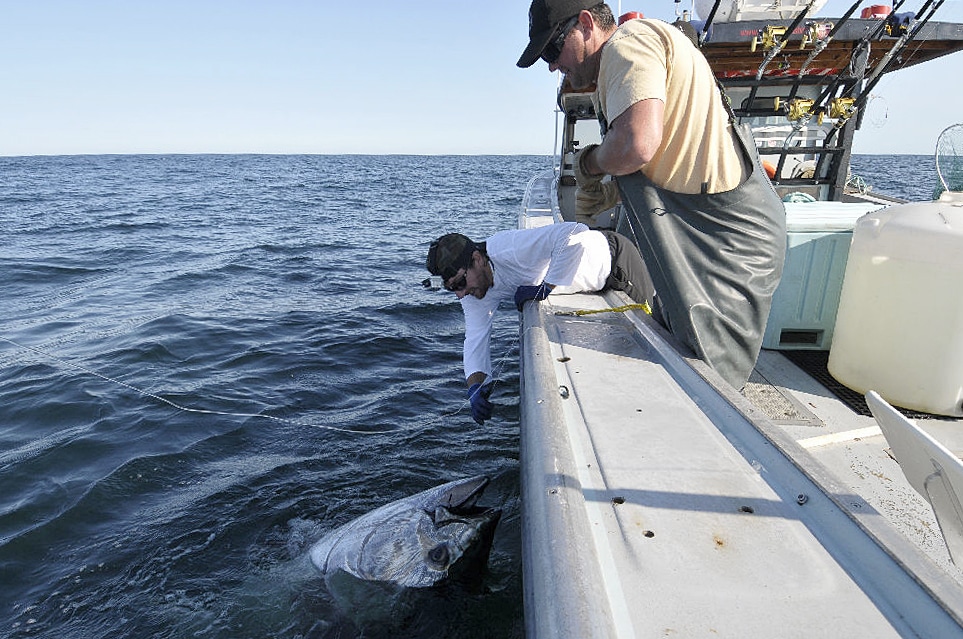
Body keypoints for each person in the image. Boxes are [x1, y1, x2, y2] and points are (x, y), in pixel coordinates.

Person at [517, 0, 786, 389]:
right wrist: (611, 194)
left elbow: (637, 144)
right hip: (697, 235)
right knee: (679, 344)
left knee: (714, 381)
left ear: (587, 24)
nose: (552, 66)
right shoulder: (617, 71)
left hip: (728, 243)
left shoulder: (629, 43)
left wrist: (590, 163)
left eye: (551, 50)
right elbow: (665, 160)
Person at [426, 222, 653, 424]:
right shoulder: (474, 292)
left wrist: (546, 287)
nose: (460, 294)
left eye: (460, 283)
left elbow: (576, 233)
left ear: (477, 259)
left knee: (655, 333)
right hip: (591, 285)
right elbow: (475, 339)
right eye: (452, 289)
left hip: (615, 263)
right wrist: (475, 386)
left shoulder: (509, 249)